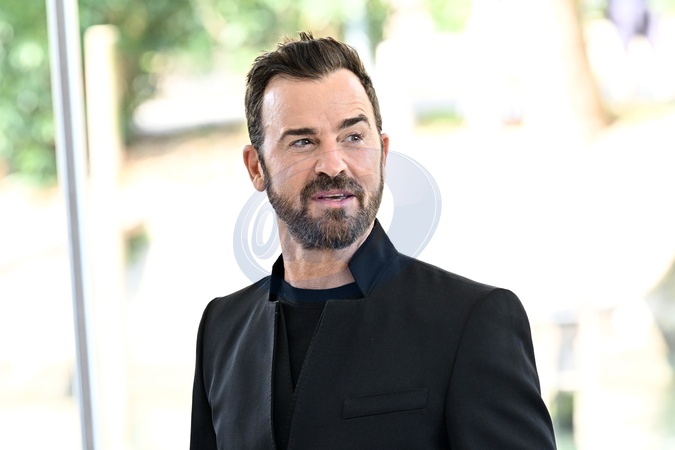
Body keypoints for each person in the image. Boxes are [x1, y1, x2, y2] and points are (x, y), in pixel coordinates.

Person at [190, 32, 556, 449]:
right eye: (303, 142)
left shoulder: (472, 322)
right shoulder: (221, 329)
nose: (333, 165)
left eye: (352, 137)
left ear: (382, 152)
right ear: (256, 167)